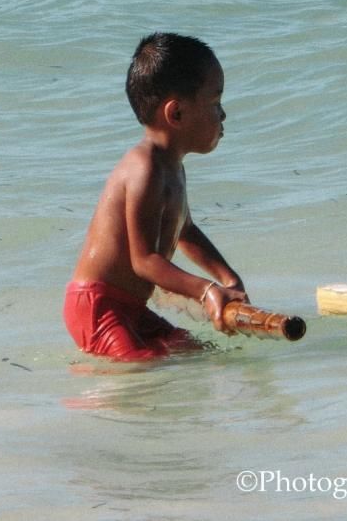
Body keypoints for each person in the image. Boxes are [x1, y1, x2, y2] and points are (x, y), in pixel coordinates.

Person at [64, 33, 247, 361]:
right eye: (215, 102)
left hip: (129, 308)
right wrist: (206, 291)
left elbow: (184, 231)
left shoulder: (171, 166)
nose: (223, 115)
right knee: (141, 373)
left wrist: (228, 279)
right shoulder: (145, 168)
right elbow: (145, 261)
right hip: (97, 306)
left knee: (196, 355)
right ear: (176, 114)